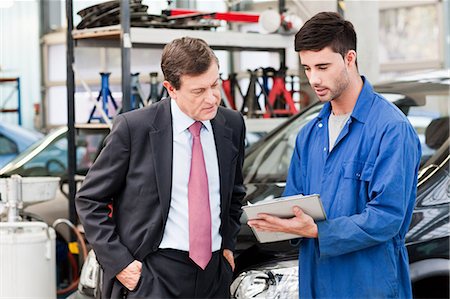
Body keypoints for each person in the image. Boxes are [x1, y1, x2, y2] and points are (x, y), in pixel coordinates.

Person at [248, 12, 421, 298]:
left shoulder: (390, 129)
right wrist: (274, 222)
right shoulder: (309, 135)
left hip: (369, 284)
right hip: (315, 281)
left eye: (323, 66)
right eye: (307, 68)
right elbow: (295, 203)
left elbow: (388, 217)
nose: (314, 79)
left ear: (349, 58)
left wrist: (317, 231)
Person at [76, 37, 246, 298]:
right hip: (154, 274)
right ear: (171, 89)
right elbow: (89, 199)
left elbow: (234, 193)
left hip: (213, 275)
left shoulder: (231, 125)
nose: (212, 98)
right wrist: (121, 264)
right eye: (199, 91)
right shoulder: (135, 129)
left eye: (215, 84)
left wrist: (227, 247)